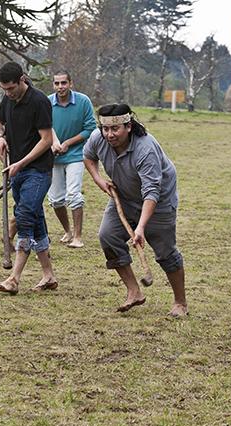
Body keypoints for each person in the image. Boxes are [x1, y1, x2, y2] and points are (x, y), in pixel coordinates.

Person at [83, 103, 188, 318]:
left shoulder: (145, 148)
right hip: (124, 198)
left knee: (165, 253)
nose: (109, 134)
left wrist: (140, 227)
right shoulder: (98, 137)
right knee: (108, 236)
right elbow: (88, 156)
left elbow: (152, 192)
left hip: (159, 203)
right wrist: (99, 180)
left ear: (128, 126)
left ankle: (180, 302)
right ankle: (134, 291)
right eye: (106, 129)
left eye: (115, 129)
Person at [0, 62, 56, 295]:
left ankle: (14, 278)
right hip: (16, 170)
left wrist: (21, 162)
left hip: (37, 171)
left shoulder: (39, 102)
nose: (8, 93)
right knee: (36, 218)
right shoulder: (8, 99)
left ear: (23, 79)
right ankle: (48, 276)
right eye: (4, 90)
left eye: (11, 88)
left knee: (25, 216)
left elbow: (46, 139)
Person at [48, 71, 97, 248]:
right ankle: (67, 231)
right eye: (57, 83)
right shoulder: (47, 103)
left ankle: (78, 237)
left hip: (76, 154)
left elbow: (90, 128)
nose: (60, 87)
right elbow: (43, 126)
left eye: (64, 83)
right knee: (55, 199)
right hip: (53, 156)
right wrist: (54, 143)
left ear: (71, 83)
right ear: (53, 85)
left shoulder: (83, 101)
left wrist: (68, 143)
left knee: (74, 195)